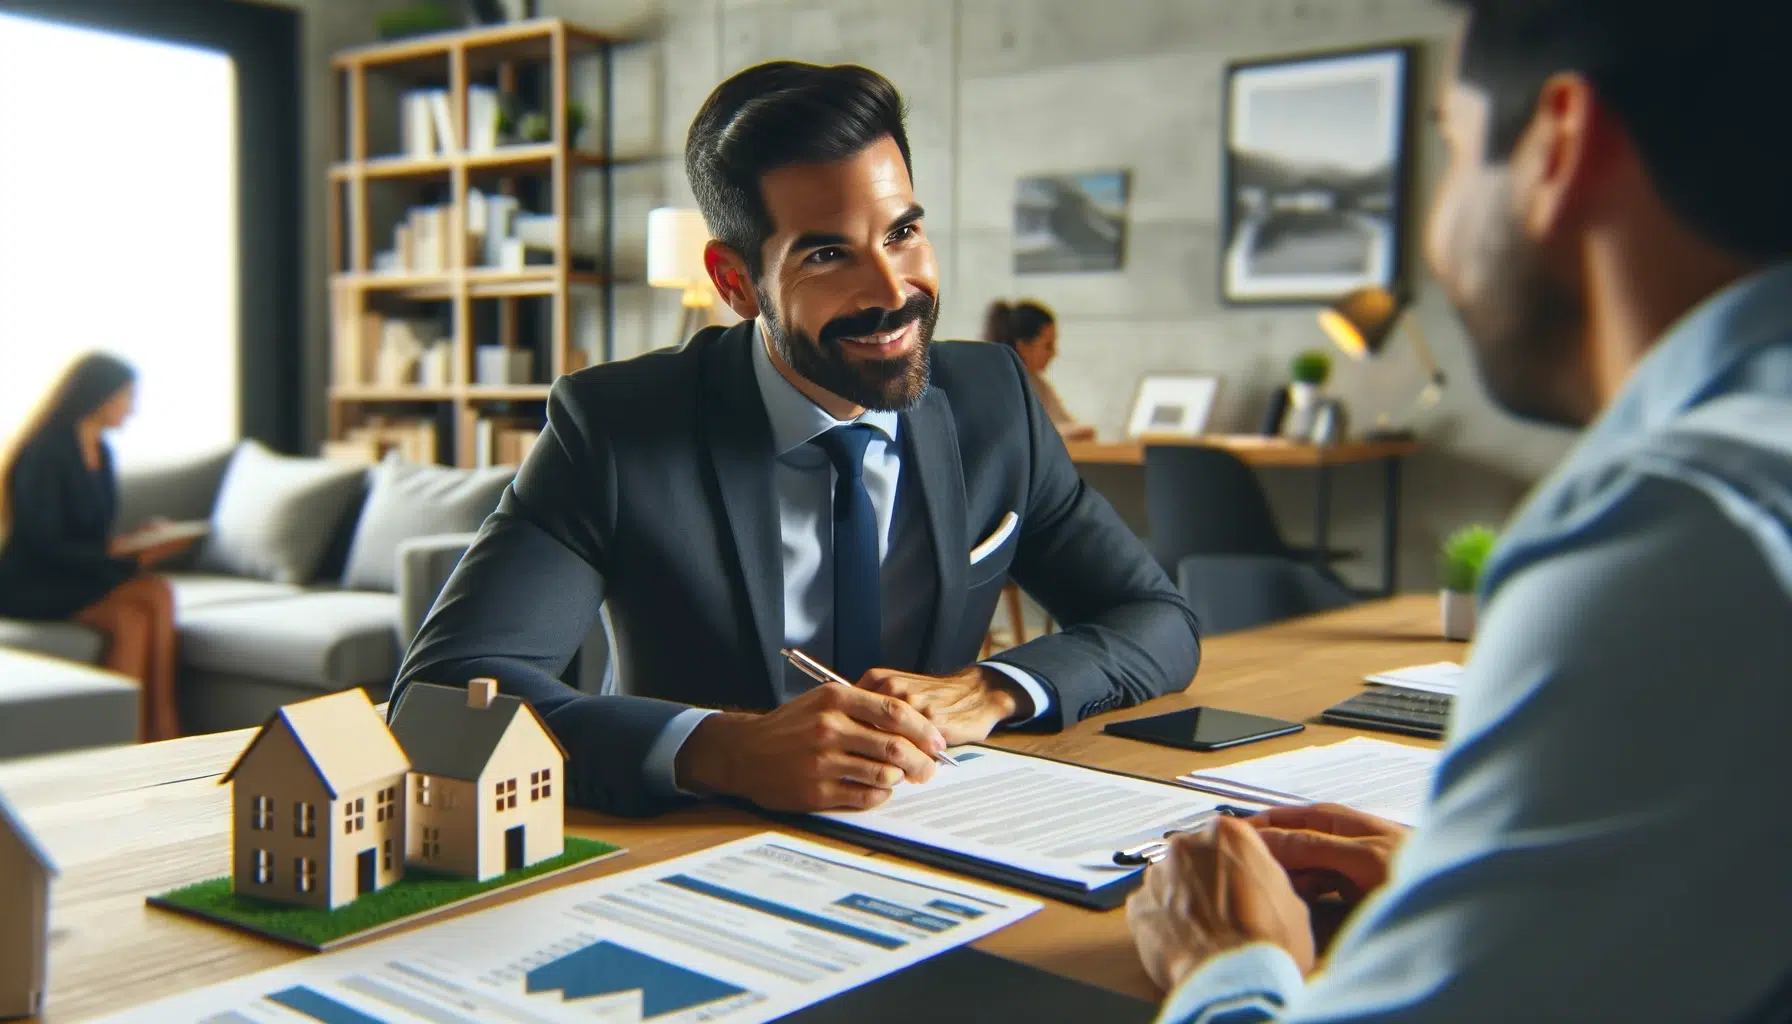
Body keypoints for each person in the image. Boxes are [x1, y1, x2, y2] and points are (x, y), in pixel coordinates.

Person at [1127, 0, 1792, 1020]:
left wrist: (1221, 961)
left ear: (1555, 147)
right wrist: (1488, 889)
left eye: (1450, 150)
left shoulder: (1685, 526)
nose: (1439, 237)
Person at [393, 62, 1201, 818]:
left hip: (946, 832)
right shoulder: (615, 428)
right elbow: (441, 696)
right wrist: (723, 749)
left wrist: (995, 688)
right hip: (699, 843)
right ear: (736, 282)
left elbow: (1156, 619)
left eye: (903, 233)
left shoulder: (993, 402)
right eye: (827, 254)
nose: (894, 292)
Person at [0, 353, 195, 741]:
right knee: (130, 618)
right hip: (32, 582)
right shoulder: (45, 451)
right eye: (126, 397)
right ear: (99, 397)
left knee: (156, 593)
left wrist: (136, 541)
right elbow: (44, 542)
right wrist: (122, 558)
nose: (131, 408)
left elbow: (90, 534)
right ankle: (129, 735)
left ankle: (159, 721)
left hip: (76, 572)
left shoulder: (102, 452)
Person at [983, 300, 1096, 441]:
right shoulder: (996, 383)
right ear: (1023, 346)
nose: (1054, 353)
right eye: (1048, 346)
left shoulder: (1038, 384)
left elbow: (1065, 425)